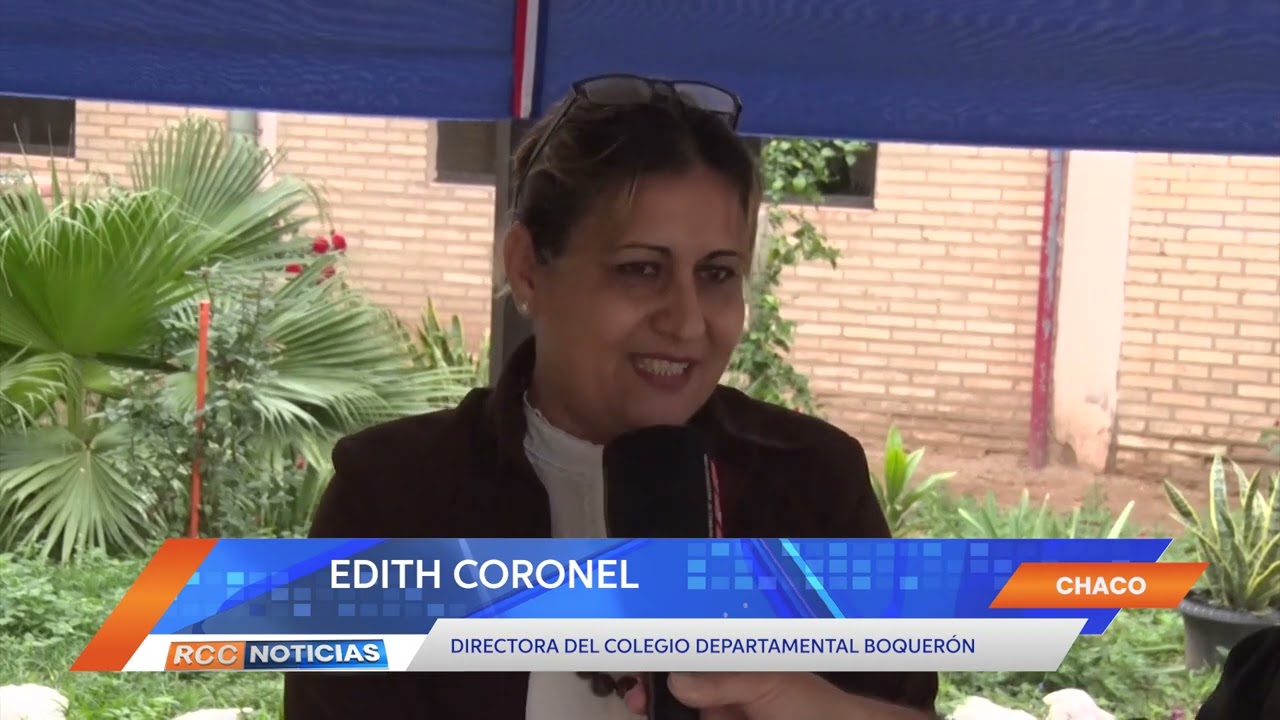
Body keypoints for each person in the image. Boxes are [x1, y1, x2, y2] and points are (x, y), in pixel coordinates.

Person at [283, 73, 938, 719]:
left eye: (717, 273)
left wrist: (812, 707)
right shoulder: (393, 498)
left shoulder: (816, 482)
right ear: (528, 269)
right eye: (640, 269)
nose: (686, 322)